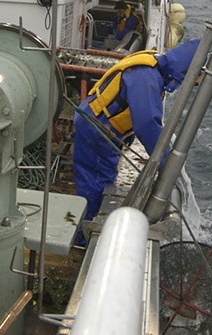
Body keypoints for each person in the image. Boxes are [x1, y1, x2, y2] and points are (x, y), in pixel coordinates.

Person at [72, 38, 200, 226]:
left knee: (96, 178)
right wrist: (167, 164)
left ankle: (88, 225)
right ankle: (84, 236)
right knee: (95, 183)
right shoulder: (146, 77)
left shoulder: (153, 64)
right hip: (96, 132)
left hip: (99, 126)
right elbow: (147, 124)